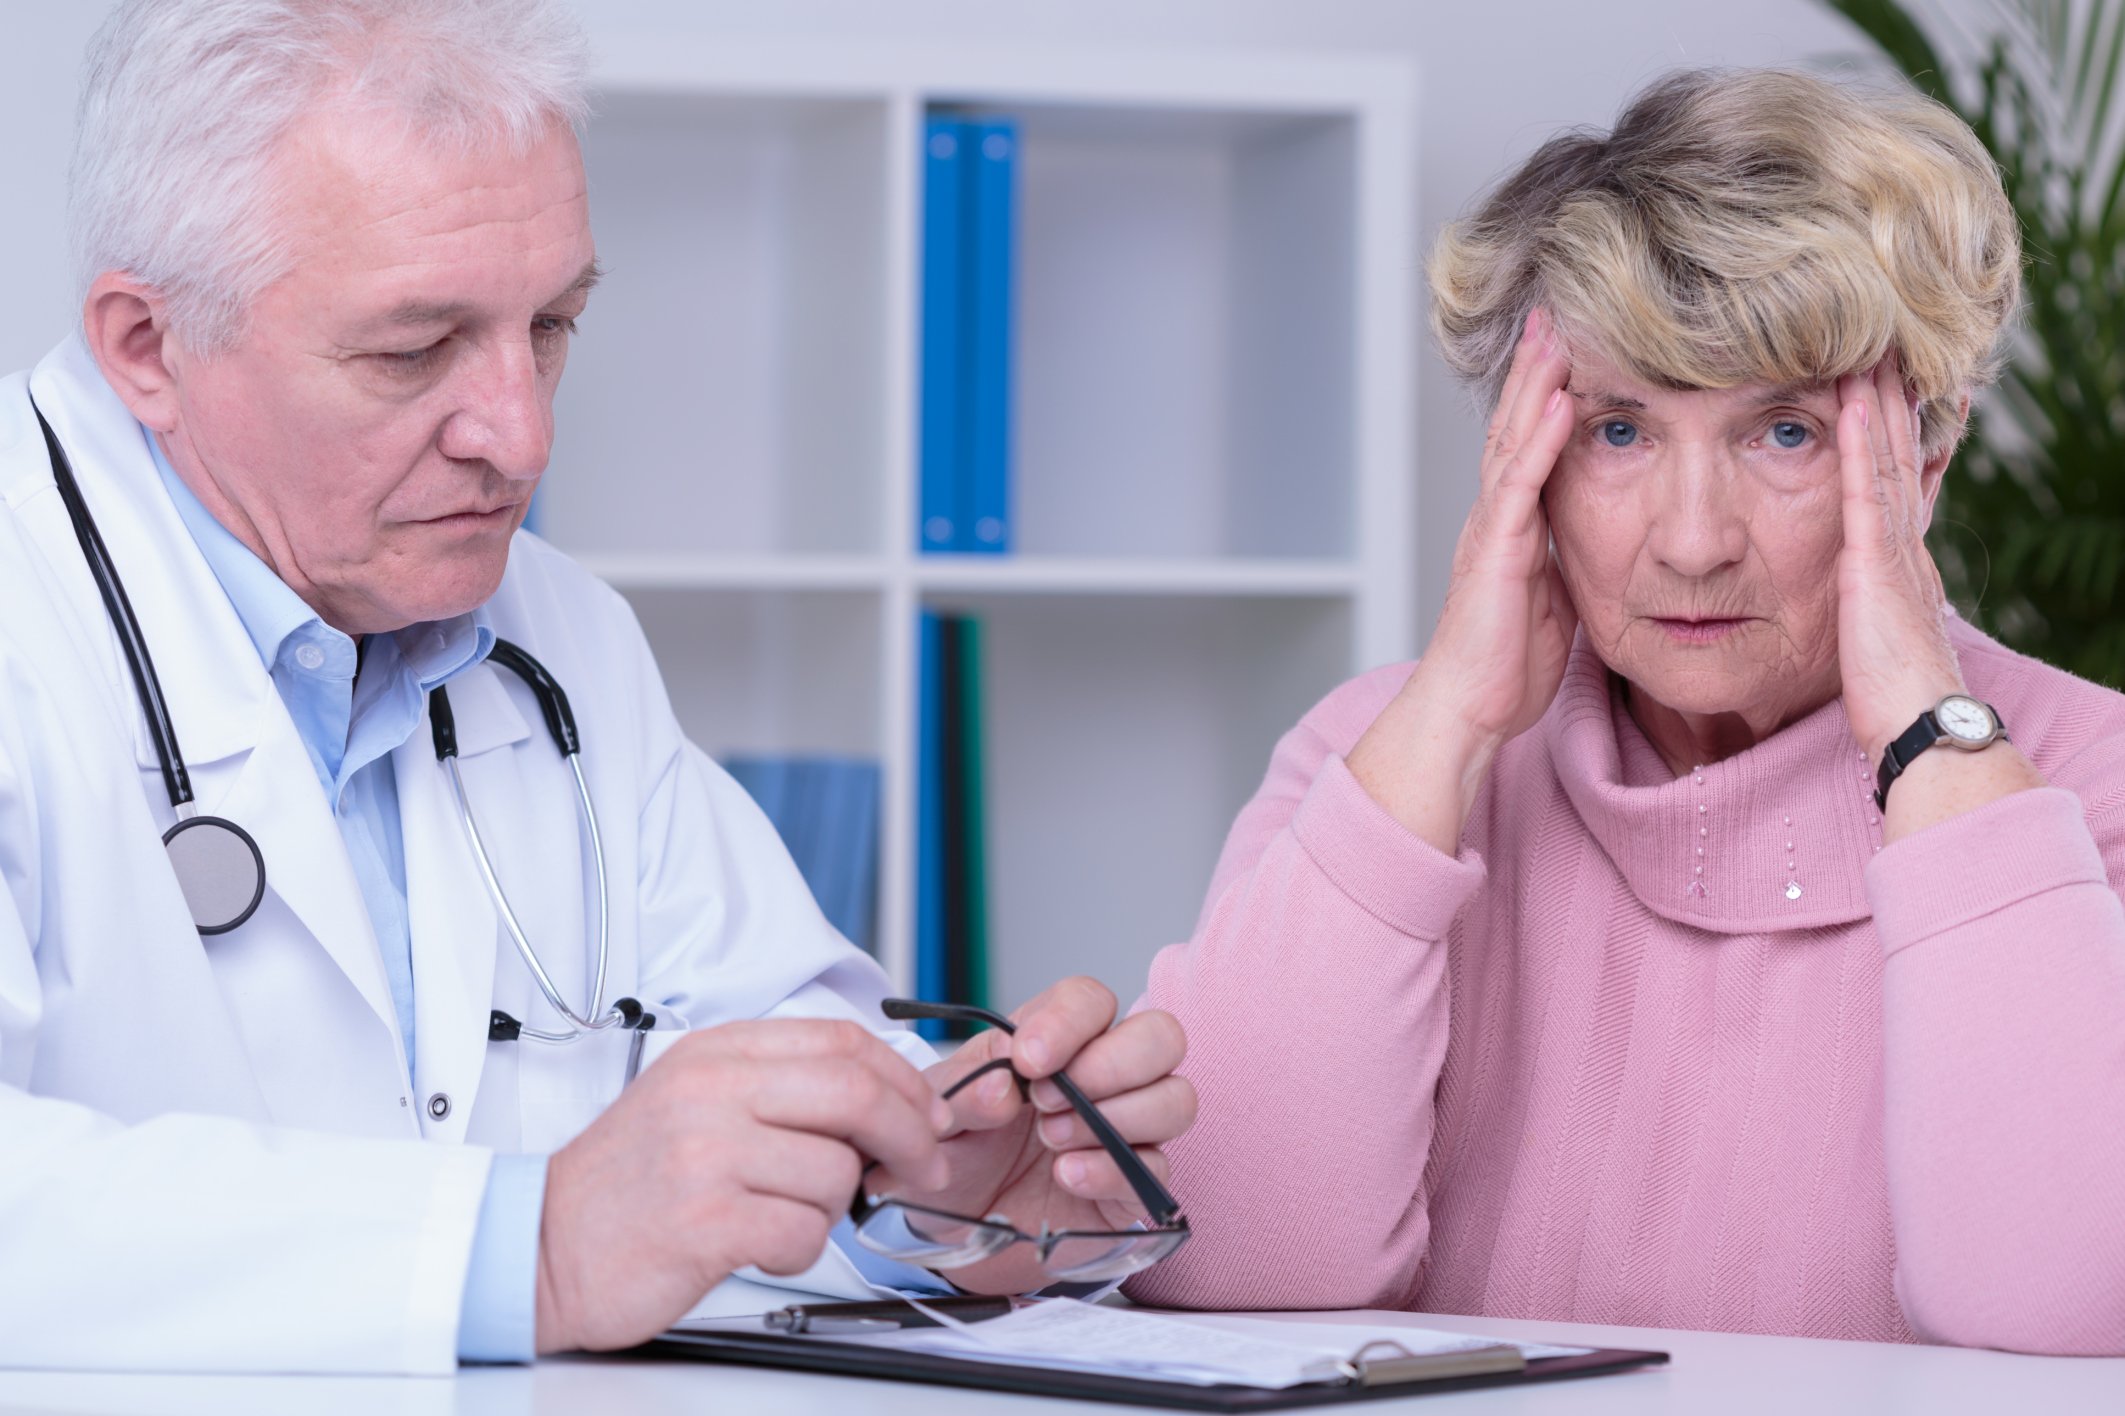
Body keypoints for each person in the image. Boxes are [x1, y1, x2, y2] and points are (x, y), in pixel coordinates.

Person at [0, 0, 1193, 1373]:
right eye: (411, 350)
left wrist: (928, 1184)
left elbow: (754, 1042)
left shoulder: (558, 639)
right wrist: (536, 1245)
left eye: (553, 322)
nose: (523, 437)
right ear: (146, 345)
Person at [1126, 68, 2125, 1355]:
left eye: (1783, 433)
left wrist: (1932, 738)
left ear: (1924, 460)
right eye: (1617, 432)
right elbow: (1225, 1264)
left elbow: (2069, 1311)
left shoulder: (2092, 789)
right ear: (1521, 458)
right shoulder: (1380, 760)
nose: (1693, 544)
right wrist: (1449, 717)